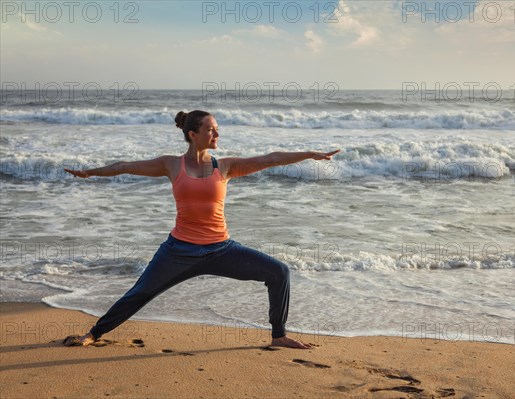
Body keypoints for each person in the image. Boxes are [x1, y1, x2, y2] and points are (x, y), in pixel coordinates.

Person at [62, 110, 340, 350]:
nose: (217, 134)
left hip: (221, 249)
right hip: (178, 251)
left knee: (279, 272)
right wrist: (91, 172)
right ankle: (94, 334)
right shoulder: (171, 164)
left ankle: (278, 336)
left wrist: (309, 154)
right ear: (193, 134)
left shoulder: (226, 166)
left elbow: (271, 158)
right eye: (211, 129)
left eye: (217, 129)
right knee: (140, 293)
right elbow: (125, 167)